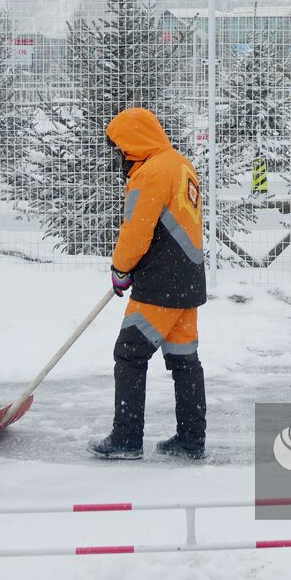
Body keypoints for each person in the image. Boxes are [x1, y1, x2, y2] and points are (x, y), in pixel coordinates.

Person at [88, 107, 207, 460]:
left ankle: (126, 439)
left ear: (134, 143)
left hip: (161, 283)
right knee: (185, 360)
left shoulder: (151, 173)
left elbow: (136, 232)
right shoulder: (179, 164)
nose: (119, 155)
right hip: (187, 280)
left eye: (121, 147)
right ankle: (191, 439)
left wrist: (120, 269)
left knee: (129, 354)